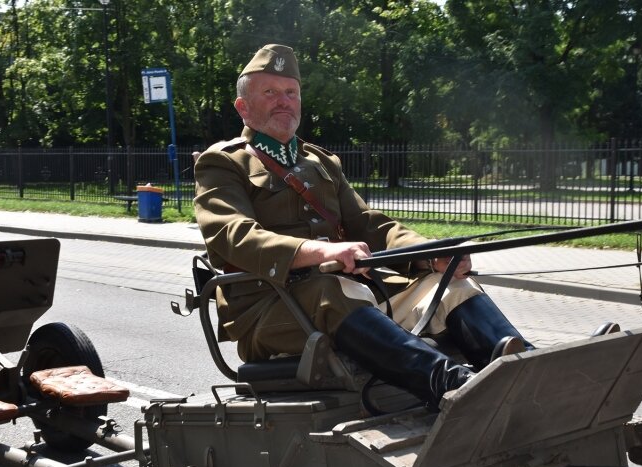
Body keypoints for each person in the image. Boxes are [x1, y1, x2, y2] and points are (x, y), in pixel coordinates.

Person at [194, 44, 532, 410]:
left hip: (349, 299)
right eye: (270, 92)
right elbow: (234, 235)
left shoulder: (319, 161)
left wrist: (428, 253)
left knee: (448, 285)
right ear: (243, 107)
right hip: (270, 309)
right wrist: (322, 252)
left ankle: (525, 369)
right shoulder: (223, 163)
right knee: (333, 290)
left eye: (291, 92)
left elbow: (368, 224)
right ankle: (457, 388)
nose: (284, 101)